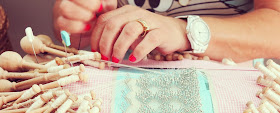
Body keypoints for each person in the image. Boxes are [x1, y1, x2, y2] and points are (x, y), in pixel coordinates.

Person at [53, 0, 280, 63]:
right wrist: (77, 17)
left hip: (236, 102)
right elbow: (71, 34)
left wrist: (184, 31)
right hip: (113, 89)